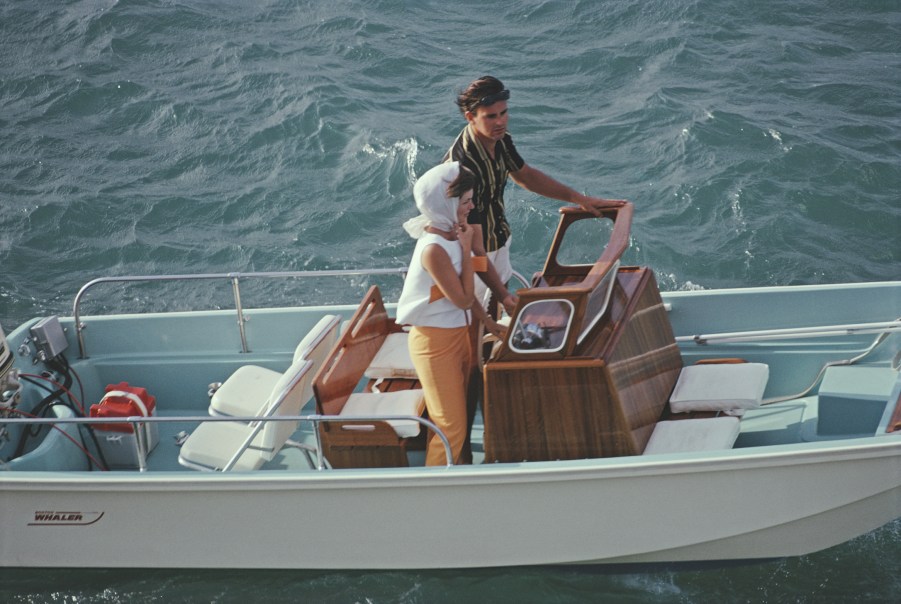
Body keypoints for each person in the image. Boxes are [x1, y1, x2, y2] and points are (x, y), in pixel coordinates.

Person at [445, 75, 626, 305]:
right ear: (470, 117)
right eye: (491, 116)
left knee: (495, 308)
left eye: (503, 113)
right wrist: (503, 295)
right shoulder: (465, 167)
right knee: (474, 313)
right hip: (469, 252)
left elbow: (525, 176)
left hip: (497, 237)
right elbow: (475, 247)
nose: (500, 122)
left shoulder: (500, 140)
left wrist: (579, 198)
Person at [396, 162, 505, 466]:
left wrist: (488, 323)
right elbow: (463, 297)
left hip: (458, 335)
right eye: (466, 201)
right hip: (434, 345)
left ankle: (456, 472)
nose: (472, 206)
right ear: (445, 203)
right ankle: (435, 491)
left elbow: (466, 296)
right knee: (450, 425)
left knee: (460, 417)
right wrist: (469, 247)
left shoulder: (452, 233)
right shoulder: (434, 249)